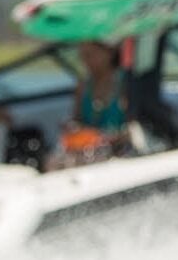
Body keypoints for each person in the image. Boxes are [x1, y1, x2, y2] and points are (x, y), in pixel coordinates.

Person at [47, 39, 131, 168]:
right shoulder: (83, 86)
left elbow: (134, 130)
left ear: (110, 52)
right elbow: (77, 120)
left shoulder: (125, 85)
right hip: (87, 150)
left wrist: (108, 138)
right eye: (83, 56)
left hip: (118, 151)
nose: (86, 62)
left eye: (90, 55)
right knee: (52, 162)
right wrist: (72, 127)